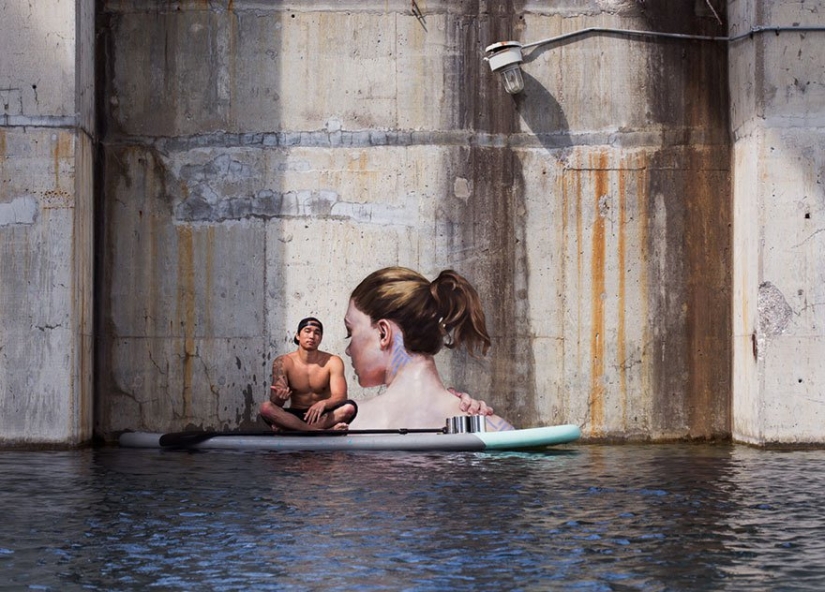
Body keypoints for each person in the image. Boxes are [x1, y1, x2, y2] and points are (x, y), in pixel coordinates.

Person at [343, 267, 515, 431]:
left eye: (350, 332)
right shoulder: (491, 428)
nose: (348, 350)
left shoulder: (342, 423)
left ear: (383, 333)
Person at [259, 317, 357, 431]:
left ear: (320, 338)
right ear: (297, 336)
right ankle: (320, 431)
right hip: (295, 416)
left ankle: (293, 430)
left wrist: (324, 403)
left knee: (349, 408)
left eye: (317, 333)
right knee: (266, 408)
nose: (312, 336)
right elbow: (275, 402)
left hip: (322, 415)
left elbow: (340, 397)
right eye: (307, 331)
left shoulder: (333, 361)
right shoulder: (283, 362)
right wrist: (280, 398)